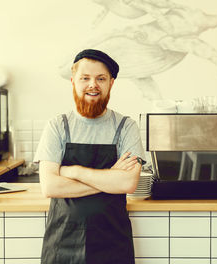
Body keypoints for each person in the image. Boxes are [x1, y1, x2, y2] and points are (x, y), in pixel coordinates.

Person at [34, 49, 146, 264]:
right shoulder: (57, 126)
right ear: (73, 81)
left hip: (112, 241)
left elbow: (128, 183)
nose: (92, 84)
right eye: (85, 78)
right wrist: (110, 178)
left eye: (100, 79)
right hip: (62, 240)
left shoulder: (126, 127)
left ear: (111, 83)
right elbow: (50, 187)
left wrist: (74, 171)